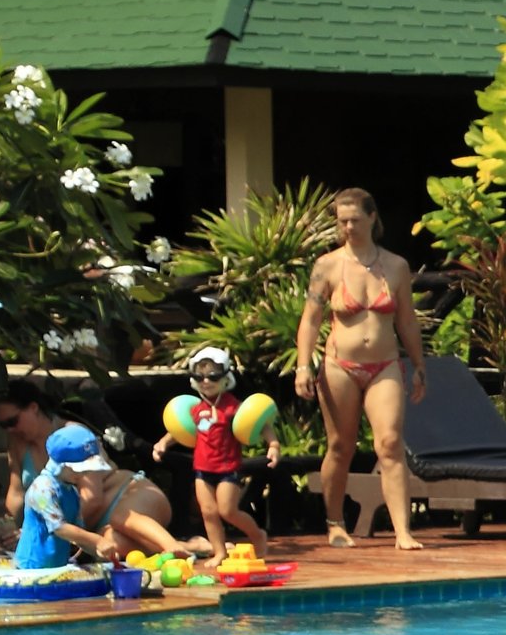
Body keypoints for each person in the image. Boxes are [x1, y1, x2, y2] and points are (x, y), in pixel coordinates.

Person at [293, 186, 427, 551]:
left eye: (354, 220)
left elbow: (407, 321)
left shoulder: (396, 266)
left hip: (384, 364)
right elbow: (310, 320)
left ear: (372, 218)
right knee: (341, 445)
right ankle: (335, 522)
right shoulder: (328, 266)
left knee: (391, 443)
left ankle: (402, 531)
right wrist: (303, 366)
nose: (348, 227)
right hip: (340, 366)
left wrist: (418, 364)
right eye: (342, 222)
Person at [177, 345, 273, 558]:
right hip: (203, 468)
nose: (206, 382)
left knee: (227, 511)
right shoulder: (197, 409)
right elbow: (180, 430)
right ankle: (219, 552)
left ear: (225, 377)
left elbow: (261, 423)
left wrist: (273, 445)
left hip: (228, 468)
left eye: (212, 376)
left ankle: (257, 534)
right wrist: (162, 444)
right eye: (200, 377)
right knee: (208, 512)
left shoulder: (232, 406)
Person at [12, 424, 116, 568]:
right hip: (31, 567)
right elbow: (60, 528)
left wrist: (99, 551)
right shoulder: (42, 488)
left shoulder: (71, 491)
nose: (84, 475)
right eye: (80, 469)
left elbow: (77, 535)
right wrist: (97, 540)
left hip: (57, 567)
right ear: (61, 464)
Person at [0, 377, 60, 522]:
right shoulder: (17, 443)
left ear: (33, 408)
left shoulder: (70, 435)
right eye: (4, 425)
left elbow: (89, 497)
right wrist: (11, 525)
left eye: (12, 421)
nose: (10, 430)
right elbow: (16, 493)